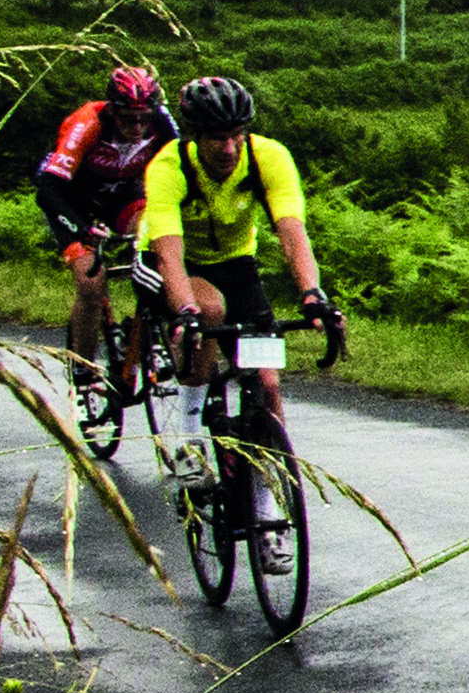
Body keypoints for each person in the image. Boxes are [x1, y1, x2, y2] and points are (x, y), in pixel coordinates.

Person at [139, 74, 345, 527]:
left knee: (267, 385)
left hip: (236, 264)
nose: (229, 147)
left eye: (237, 135)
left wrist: (313, 294)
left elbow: (292, 233)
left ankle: (267, 508)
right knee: (207, 312)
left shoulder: (268, 156)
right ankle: (188, 443)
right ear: (194, 136)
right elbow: (168, 255)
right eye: (217, 138)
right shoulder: (168, 167)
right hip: (172, 262)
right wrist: (186, 312)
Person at [33, 63, 175, 397]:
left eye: (144, 118)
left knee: (157, 246)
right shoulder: (87, 123)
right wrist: (81, 228)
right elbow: (48, 191)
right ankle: (82, 365)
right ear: (112, 109)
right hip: (72, 199)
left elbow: (180, 167)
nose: (136, 126)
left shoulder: (161, 121)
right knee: (92, 283)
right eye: (127, 117)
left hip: (122, 193)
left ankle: (144, 337)